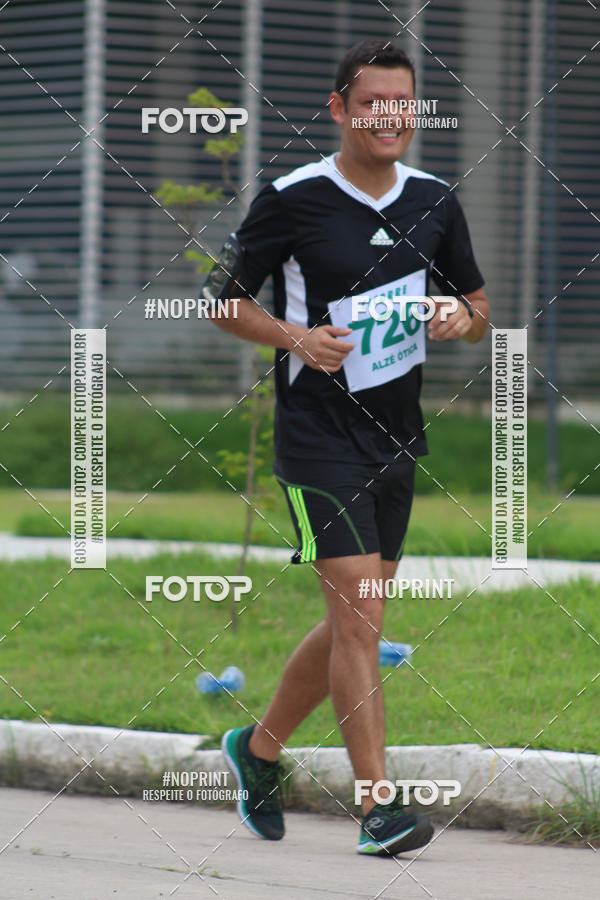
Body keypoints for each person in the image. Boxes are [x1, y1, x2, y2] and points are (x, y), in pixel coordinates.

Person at [206, 39, 490, 856]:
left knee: (349, 620)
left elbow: (476, 308)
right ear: (340, 110)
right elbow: (221, 303)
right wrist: (296, 339)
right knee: (362, 620)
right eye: (372, 103)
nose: (389, 116)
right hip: (314, 437)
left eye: (402, 102)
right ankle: (379, 810)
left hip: (396, 436)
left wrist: (457, 319)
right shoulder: (293, 197)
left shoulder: (436, 199)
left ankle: (257, 752)